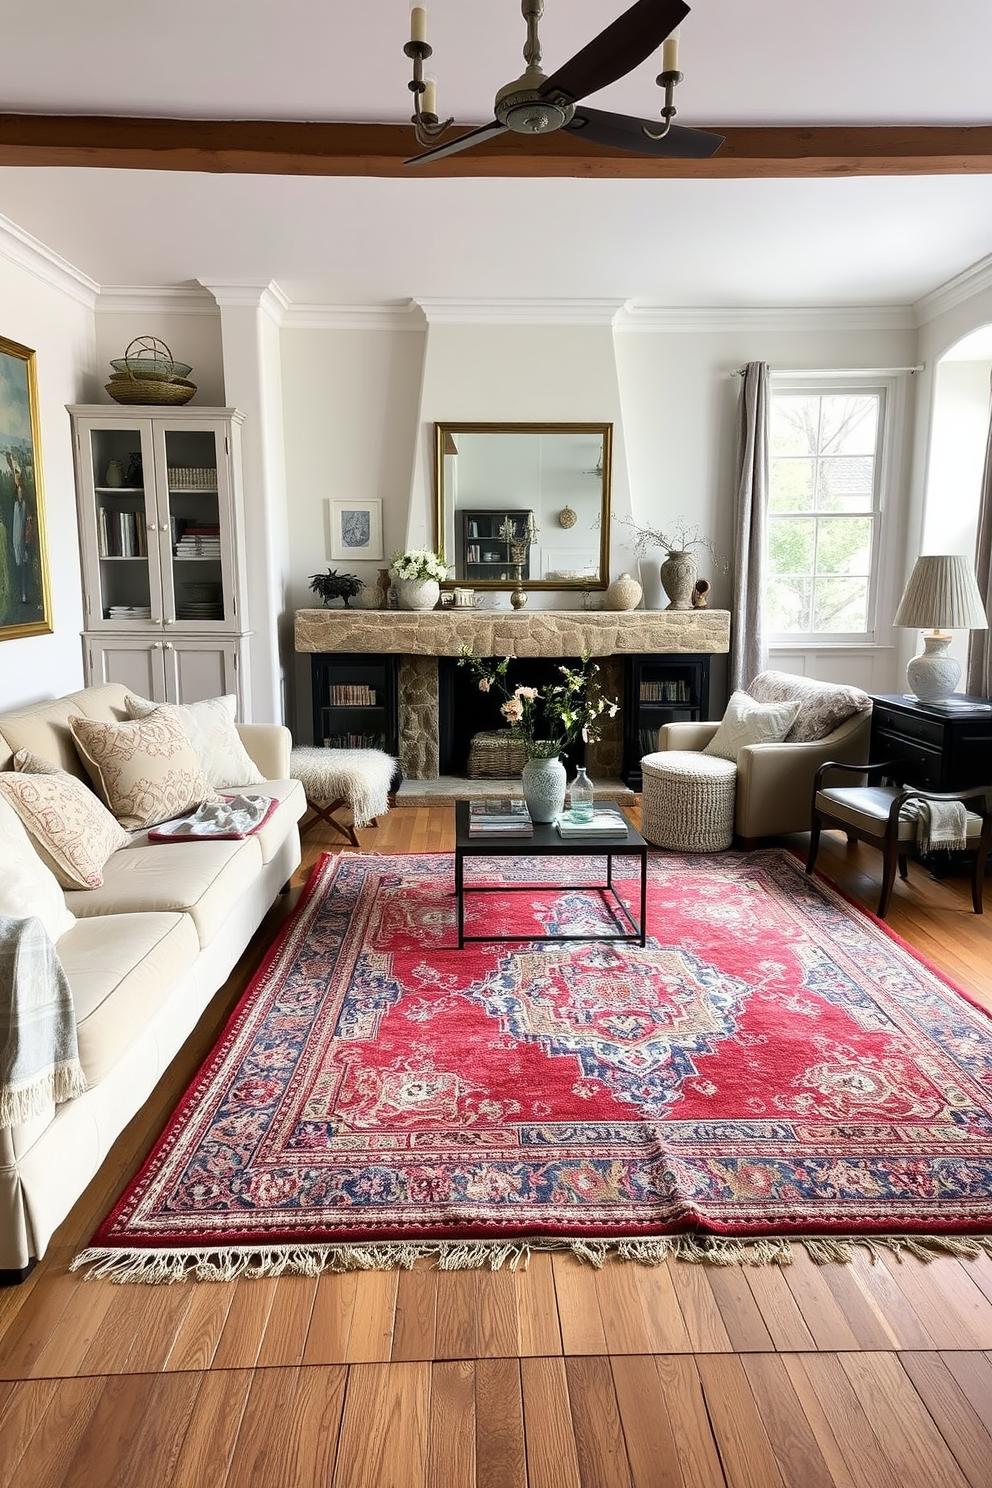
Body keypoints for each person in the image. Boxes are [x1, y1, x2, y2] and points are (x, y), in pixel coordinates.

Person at [6, 450, 30, 603]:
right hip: (15, 543)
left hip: (24, 543)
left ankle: (24, 593)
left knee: (23, 567)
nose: (20, 492)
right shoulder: (13, 505)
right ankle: (19, 594)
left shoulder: (24, 505)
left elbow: (19, 479)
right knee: (17, 566)